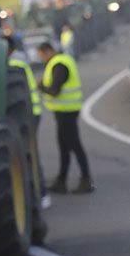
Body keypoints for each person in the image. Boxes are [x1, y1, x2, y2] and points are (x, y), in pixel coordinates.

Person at [36, 41, 94, 194]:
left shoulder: (59, 64)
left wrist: (41, 86)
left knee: (74, 145)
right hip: (64, 111)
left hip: (67, 112)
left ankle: (86, 180)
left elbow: (55, 90)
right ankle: (61, 181)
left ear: (47, 51)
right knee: (64, 147)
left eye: (41, 55)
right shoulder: (61, 61)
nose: (41, 59)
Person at [7, 36, 50, 209]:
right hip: (28, 111)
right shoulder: (18, 61)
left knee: (29, 154)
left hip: (27, 113)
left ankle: (42, 193)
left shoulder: (15, 64)